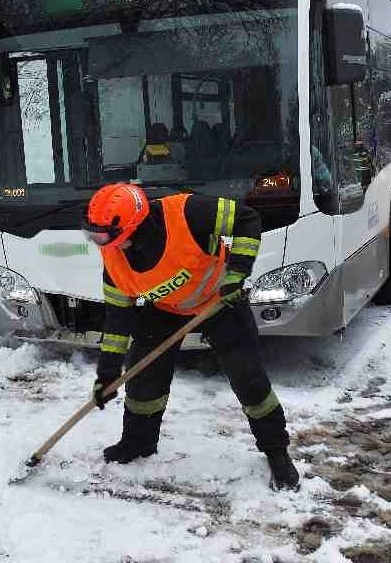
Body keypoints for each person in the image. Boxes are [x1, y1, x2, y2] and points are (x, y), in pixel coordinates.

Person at [81, 182, 300, 490]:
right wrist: (106, 375)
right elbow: (118, 321)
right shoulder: (114, 258)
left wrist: (237, 274)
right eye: (94, 235)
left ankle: (276, 451)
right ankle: (138, 442)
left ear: (135, 225)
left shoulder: (187, 212)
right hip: (166, 308)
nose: (100, 243)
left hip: (220, 301)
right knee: (143, 376)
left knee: (248, 379)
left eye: (104, 236)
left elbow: (247, 219)